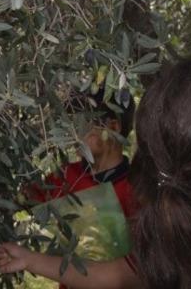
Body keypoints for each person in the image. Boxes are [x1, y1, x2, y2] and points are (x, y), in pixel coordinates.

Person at [0, 54, 191, 289]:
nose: (74, 133)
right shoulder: (66, 178)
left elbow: (120, 274)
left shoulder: (138, 193)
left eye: (83, 124)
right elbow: (116, 273)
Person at [26, 87, 135, 217]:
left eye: (82, 124)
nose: (74, 133)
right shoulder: (62, 177)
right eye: (72, 124)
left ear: (112, 128)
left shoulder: (135, 190)